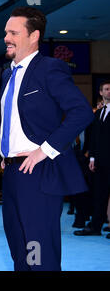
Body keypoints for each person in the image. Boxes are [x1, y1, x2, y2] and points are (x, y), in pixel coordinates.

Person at [0, 7, 94, 271]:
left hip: (38, 174)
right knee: (20, 250)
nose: (6, 37)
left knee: (38, 253)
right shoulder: (8, 75)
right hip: (12, 172)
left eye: (13, 32)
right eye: (6, 31)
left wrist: (45, 150)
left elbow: (82, 112)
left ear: (34, 36)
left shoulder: (50, 68)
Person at [75, 80, 110, 238]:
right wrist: (92, 158)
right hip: (100, 162)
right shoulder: (98, 114)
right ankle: (96, 226)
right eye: (107, 89)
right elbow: (94, 138)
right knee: (99, 194)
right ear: (101, 93)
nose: (109, 92)